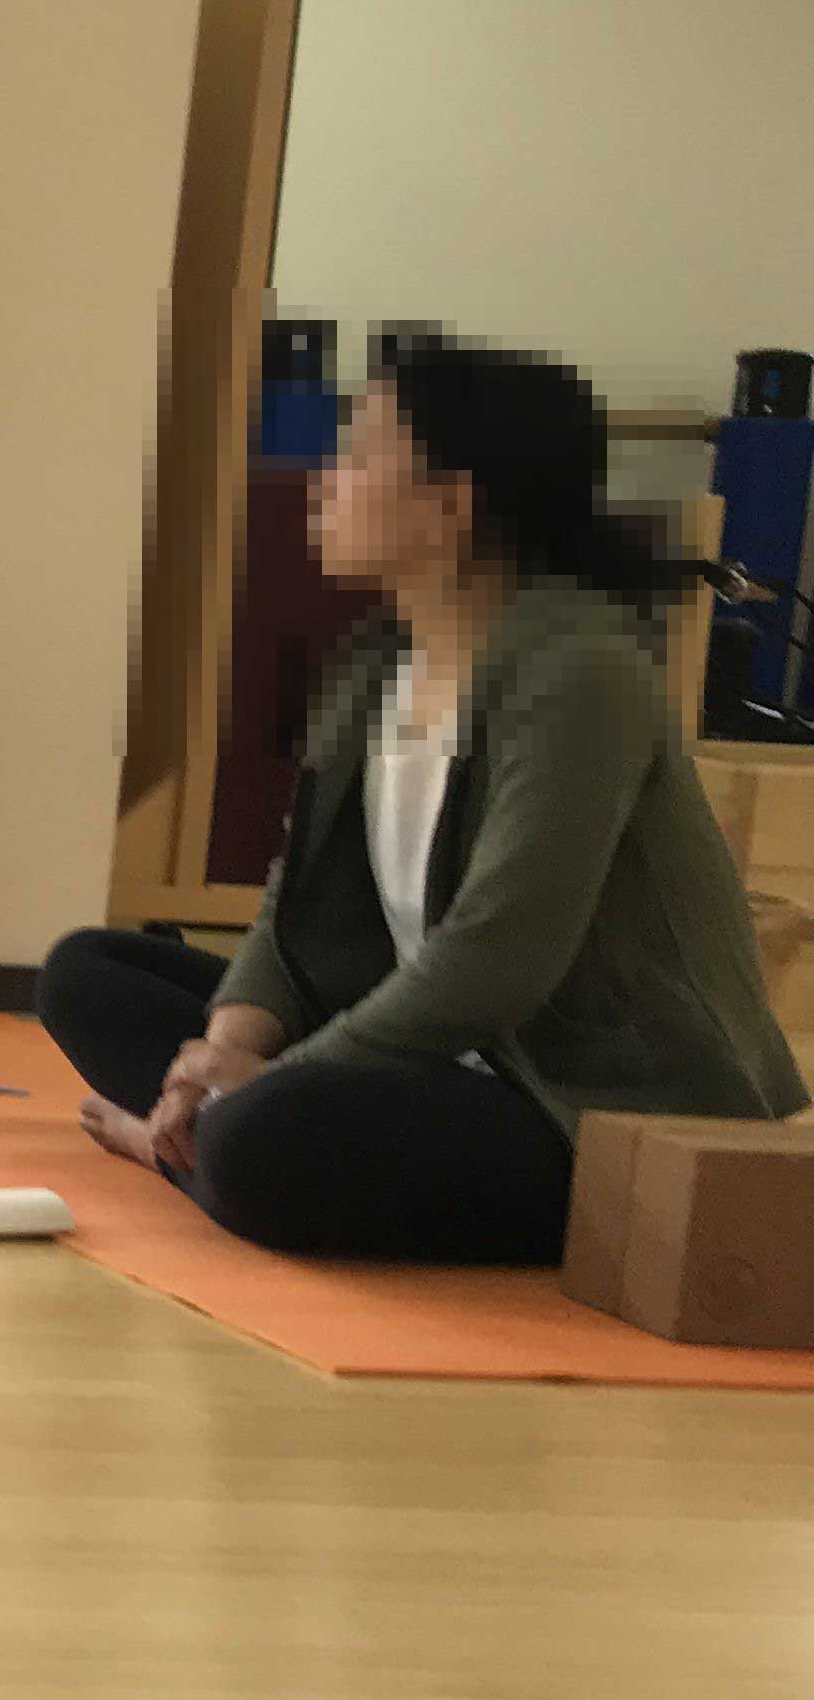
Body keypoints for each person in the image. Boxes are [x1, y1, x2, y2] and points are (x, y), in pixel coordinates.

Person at [39, 339, 804, 1263]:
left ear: (453, 503)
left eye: (357, 454)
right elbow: (294, 903)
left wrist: (261, 1082)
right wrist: (230, 1044)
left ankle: (187, 1149)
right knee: (88, 974)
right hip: (435, 1054)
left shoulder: (579, 671)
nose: (323, 478)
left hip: (589, 1099)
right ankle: (209, 1128)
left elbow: (501, 954)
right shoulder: (376, 665)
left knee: (266, 1136)